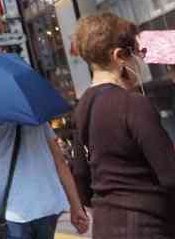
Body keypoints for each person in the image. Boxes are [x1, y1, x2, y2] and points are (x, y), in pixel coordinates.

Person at [70, 13, 175, 238]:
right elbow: (169, 174)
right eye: (136, 53)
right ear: (119, 56)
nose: (139, 60)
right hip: (148, 224)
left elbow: (80, 174)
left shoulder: (82, 107)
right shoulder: (133, 104)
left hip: (105, 226)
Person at [0, 118, 89, 239]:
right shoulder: (31, 111)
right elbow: (59, 160)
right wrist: (76, 205)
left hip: (8, 212)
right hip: (45, 204)